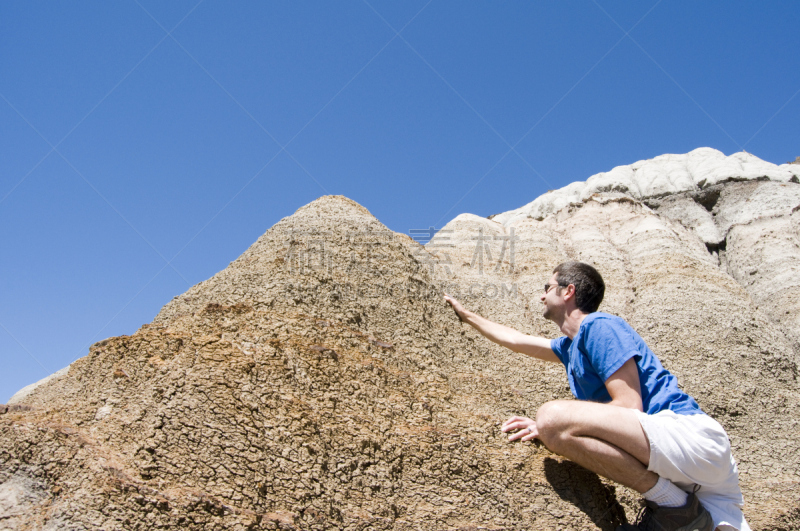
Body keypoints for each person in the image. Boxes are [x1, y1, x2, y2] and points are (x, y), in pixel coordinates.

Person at [444, 261, 749, 531]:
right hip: (691, 475)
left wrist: (557, 428)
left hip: (688, 438)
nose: (541, 295)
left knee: (550, 417)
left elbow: (630, 406)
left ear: (568, 291)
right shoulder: (569, 347)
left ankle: (673, 506)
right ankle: (680, 506)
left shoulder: (598, 327)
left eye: (547, 287)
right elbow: (516, 340)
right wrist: (466, 315)